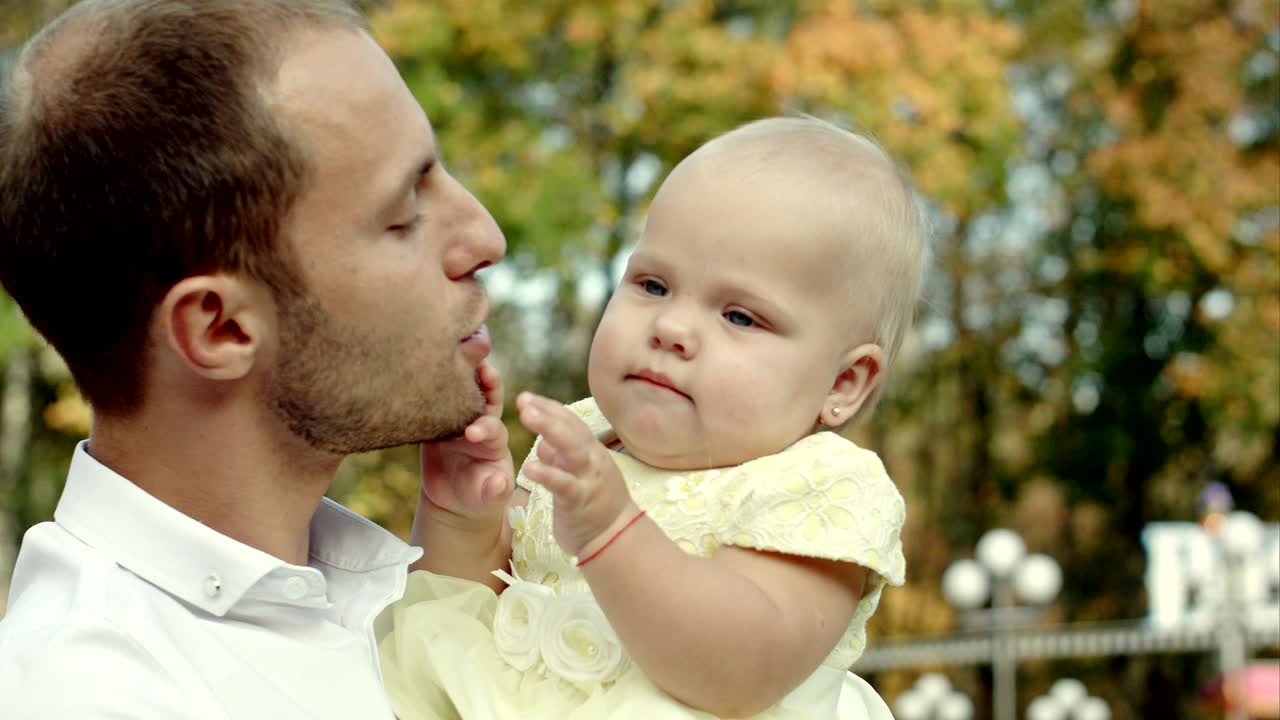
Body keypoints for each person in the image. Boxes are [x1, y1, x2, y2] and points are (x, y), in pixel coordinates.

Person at [0, 1, 505, 718]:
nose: (484, 237)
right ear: (222, 329)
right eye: (403, 216)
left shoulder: (385, 584)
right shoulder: (95, 695)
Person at [380, 116, 926, 719]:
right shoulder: (584, 441)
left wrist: (613, 528)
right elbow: (459, 620)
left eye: (740, 317)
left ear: (843, 383)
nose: (670, 328)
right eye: (653, 284)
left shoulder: (819, 487)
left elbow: (741, 671)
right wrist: (461, 515)